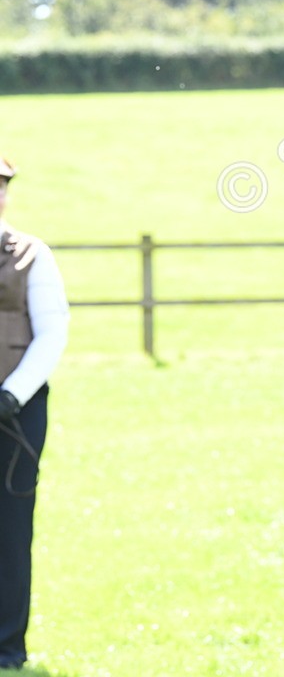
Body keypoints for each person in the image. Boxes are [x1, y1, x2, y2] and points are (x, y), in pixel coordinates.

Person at [0, 157, 69, 671]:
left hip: (14, 414)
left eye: (2, 186)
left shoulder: (30, 256)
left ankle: (6, 645)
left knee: (9, 528)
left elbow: (52, 332)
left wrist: (11, 394)